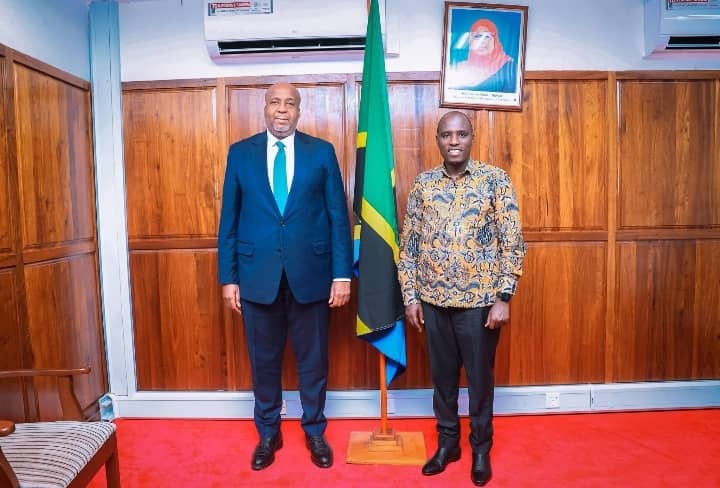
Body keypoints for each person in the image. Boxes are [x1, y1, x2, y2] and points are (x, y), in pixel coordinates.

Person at [217, 82, 352, 471]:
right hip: (257, 277)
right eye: (275, 102)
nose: (282, 109)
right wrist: (229, 278)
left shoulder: (321, 152)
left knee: (314, 361)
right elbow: (229, 221)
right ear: (265, 108)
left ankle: (314, 430)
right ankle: (268, 433)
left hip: (312, 276)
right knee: (263, 362)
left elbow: (338, 217)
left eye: (289, 103)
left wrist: (342, 275)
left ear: (298, 111)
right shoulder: (240, 153)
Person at [397, 111, 526, 486]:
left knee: (480, 382)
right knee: (442, 380)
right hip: (433, 302)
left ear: (472, 137)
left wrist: (504, 297)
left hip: (480, 305)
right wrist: (411, 297)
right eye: (447, 135)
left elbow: (513, 243)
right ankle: (448, 444)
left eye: (461, 134)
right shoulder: (423, 185)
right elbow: (409, 246)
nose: (454, 141)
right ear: (437, 140)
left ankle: (481, 449)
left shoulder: (495, 180)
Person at [446, 19, 516, 93]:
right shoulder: (457, 68)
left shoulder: (509, 67)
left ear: (495, 41)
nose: (482, 41)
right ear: (470, 40)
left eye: (487, 36)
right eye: (477, 36)